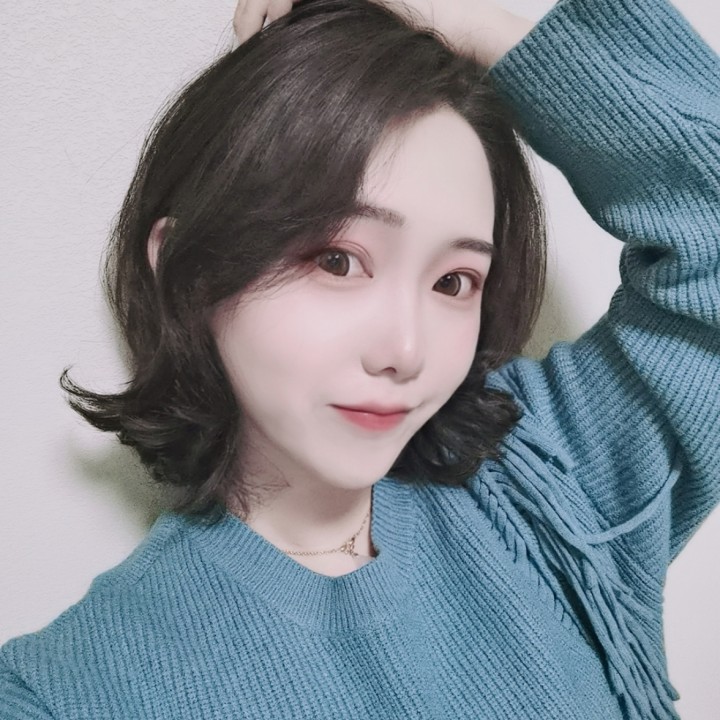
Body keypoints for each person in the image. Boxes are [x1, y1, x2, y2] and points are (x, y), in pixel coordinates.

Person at [1, 0, 718, 717]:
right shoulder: (66, 693)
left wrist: (453, 17)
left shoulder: (552, 489)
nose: (405, 352)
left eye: (453, 282)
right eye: (337, 261)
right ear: (186, 266)